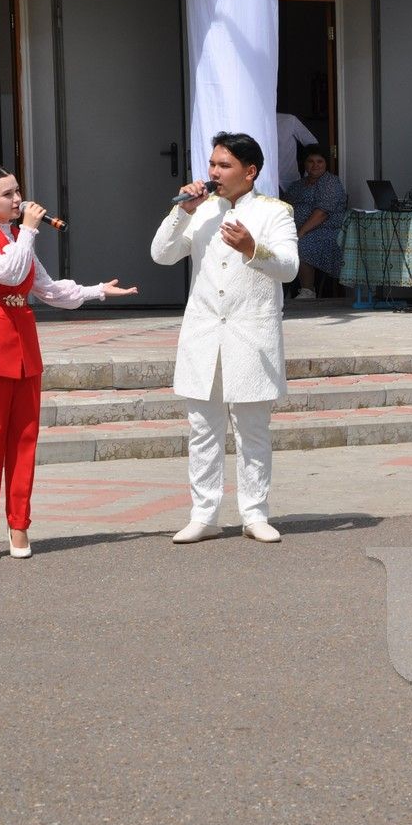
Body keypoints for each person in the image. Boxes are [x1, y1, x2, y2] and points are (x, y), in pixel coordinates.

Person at [0, 164, 137, 559]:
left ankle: (19, 524)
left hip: (22, 343)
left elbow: (47, 289)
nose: (18, 199)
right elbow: (7, 273)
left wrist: (98, 292)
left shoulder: (18, 237)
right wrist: (31, 232)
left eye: (17, 191)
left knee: (23, 440)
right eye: (7, 194)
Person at [151, 132, 299, 544]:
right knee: (202, 427)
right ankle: (204, 514)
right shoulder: (199, 209)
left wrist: (254, 248)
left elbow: (288, 268)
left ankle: (254, 513)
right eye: (212, 164)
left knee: (252, 429)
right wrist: (181, 211)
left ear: (249, 172)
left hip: (251, 335)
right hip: (203, 333)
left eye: (224, 165)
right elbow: (161, 255)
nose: (213, 172)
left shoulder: (275, 212)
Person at [283, 144, 348, 300]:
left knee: (300, 244)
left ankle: (307, 291)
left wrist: (301, 232)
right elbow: (284, 206)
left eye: (320, 161)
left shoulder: (330, 182)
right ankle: (283, 291)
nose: (315, 165)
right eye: (311, 161)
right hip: (300, 230)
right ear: (304, 164)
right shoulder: (298, 185)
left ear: (326, 164)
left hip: (327, 231)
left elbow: (322, 213)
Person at [275, 112, 318, 192]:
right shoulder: (253, 123)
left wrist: (307, 176)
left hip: (290, 183)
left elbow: (312, 144)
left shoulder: (288, 120)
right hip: (262, 184)